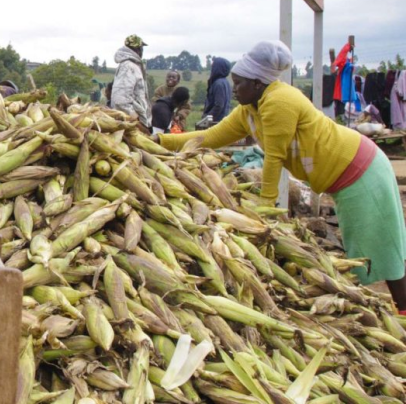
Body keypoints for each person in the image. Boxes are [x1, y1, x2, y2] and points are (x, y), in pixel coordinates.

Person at [158, 40, 406, 313]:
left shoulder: (280, 101)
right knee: (366, 246)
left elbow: (274, 160)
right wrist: (159, 141)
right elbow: (210, 137)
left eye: (239, 83)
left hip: (359, 170)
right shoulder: (249, 110)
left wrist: (264, 213)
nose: (234, 89)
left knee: (378, 248)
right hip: (345, 176)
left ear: (257, 83)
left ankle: (401, 311)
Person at [111, 35, 151, 130]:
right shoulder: (129, 67)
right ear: (138, 49)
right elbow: (120, 99)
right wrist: (134, 117)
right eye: (141, 48)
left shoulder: (132, 65)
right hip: (130, 122)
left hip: (134, 120)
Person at [202, 56, 233, 125]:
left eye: (213, 66)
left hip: (215, 122)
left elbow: (219, 105)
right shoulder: (225, 82)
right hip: (220, 121)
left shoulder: (218, 84)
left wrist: (206, 119)